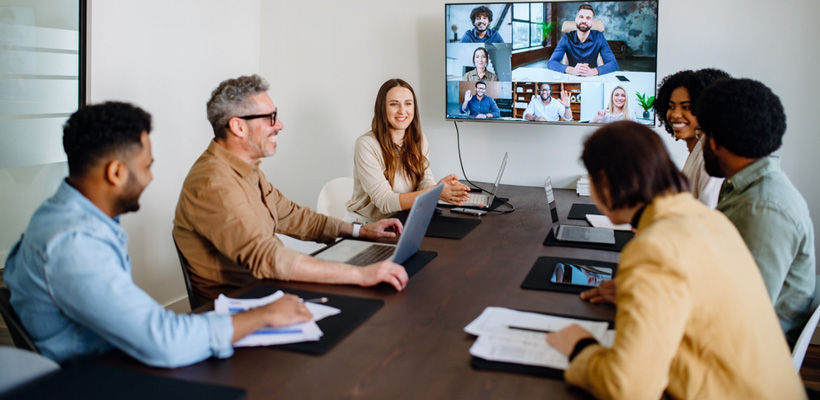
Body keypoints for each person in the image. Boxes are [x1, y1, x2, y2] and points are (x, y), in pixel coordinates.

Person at [4, 102, 313, 367]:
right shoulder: (75, 243)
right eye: (147, 167)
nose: (150, 177)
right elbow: (163, 340)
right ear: (116, 173)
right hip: (98, 376)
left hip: (114, 356)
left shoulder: (58, 213)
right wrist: (262, 315)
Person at [546, 121, 805, 399]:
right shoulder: (708, 219)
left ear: (605, 185)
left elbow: (628, 389)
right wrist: (640, 294)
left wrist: (582, 348)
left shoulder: (653, 247)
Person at [173, 75, 410, 304]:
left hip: (270, 288)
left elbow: (296, 217)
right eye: (270, 117)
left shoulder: (247, 170)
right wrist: (360, 274)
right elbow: (268, 257)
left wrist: (360, 231)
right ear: (238, 126)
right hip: (244, 304)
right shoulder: (214, 183)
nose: (279, 125)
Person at [698, 78, 815, 347]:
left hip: (743, 355)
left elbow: (739, 317)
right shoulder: (746, 189)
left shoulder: (763, 208)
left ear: (714, 141)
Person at [347, 79, 470, 223]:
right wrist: (436, 192)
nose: (402, 111)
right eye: (394, 104)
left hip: (403, 218)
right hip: (367, 224)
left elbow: (424, 181)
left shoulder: (419, 139)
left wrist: (440, 188)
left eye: (408, 103)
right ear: (382, 108)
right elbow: (385, 202)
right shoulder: (366, 145)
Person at [653, 68, 729, 208]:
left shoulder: (711, 156)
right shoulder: (697, 150)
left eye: (686, 107)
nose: (675, 114)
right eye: (671, 106)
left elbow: (707, 212)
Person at [547, 4, 618, 76]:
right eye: (581, 17)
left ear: (592, 22)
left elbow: (613, 64)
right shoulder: (566, 38)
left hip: (592, 77)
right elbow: (551, 63)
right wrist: (571, 70)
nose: (584, 20)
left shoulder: (599, 37)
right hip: (572, 76)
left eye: (588, 18)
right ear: (576, 19)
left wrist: (593, 71)